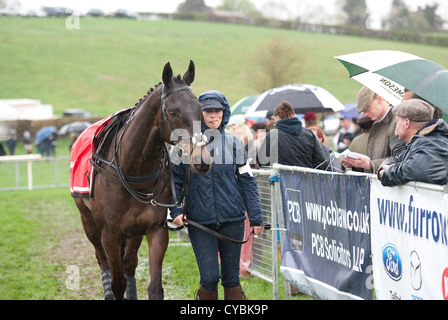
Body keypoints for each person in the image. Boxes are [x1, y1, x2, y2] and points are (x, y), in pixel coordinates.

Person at [170, 90, 265, 300]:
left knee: (231, 278)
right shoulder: (184, 145)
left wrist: (256, 218)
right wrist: (175, 210)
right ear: (199, 114)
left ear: (225, 113)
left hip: (233, 220)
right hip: (200, 222)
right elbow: (174, 180)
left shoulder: (235, 143)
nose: (214, 116)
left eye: (218, 111)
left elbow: (248, 181)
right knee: (210, 277)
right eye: (208, 111)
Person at [378, 99, 448, 186]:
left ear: (406, 123)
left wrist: (384, 172)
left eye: (398, 121)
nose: (396, 126)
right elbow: (396, 159)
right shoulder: (421, 142)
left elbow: (412, 170)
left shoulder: (431, 143)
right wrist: (385, 168)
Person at [340, 86, 405, 173]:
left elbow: (401, 159)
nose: (365, 114)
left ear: (379, 99)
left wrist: (370, 164)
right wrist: (357, 164)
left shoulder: (397, 122)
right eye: (363, 111)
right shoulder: (377, 124)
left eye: (367, 108)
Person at [258, 101, 330, 169]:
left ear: (276, 119)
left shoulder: (272, 135)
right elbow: (323, 161)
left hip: (281, 180)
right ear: (294, 116)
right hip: (305, 180)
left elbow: (261, 160)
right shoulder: (309, 135)